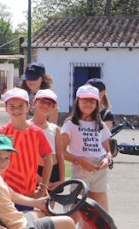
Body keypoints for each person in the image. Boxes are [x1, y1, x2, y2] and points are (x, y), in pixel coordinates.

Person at [0, 88, 54, 203]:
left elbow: (48, 161)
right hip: (4, 193)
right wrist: (4, 147)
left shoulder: (37, 132)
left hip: (28, 194)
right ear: (6, 108)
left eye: (21, 105)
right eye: (12, 106)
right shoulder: (2, 132)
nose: (16, 109)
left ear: (28, 107)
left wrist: (43, 187)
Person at [58, 84, 113, 212]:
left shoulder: (101, 125)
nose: (88, 104)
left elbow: (108, 151)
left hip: (100, 170)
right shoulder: (70, 124)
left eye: (92, 100)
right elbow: (61, 151)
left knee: (99, 210)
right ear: (78, 101)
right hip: (81, 168)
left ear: (97, 103)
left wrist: (107, 159)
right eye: (84, 100)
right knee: (77, 208)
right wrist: (81, 162)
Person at [30, 88, 64, 188]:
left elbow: (60, 155)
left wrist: (62, 180)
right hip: (33, 171)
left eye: (49, 104)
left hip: (53, 171)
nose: (45, 106)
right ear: (34, 102)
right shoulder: (26, 126)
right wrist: (37, 177)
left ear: (53, 108)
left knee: (49, 203)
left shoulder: (55, 129)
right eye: (42, 102)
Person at [88, 77, 118, 158]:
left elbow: (104, 138)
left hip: (99, 157)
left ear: (102, 93)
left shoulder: (107, 115)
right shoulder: (82, 112)